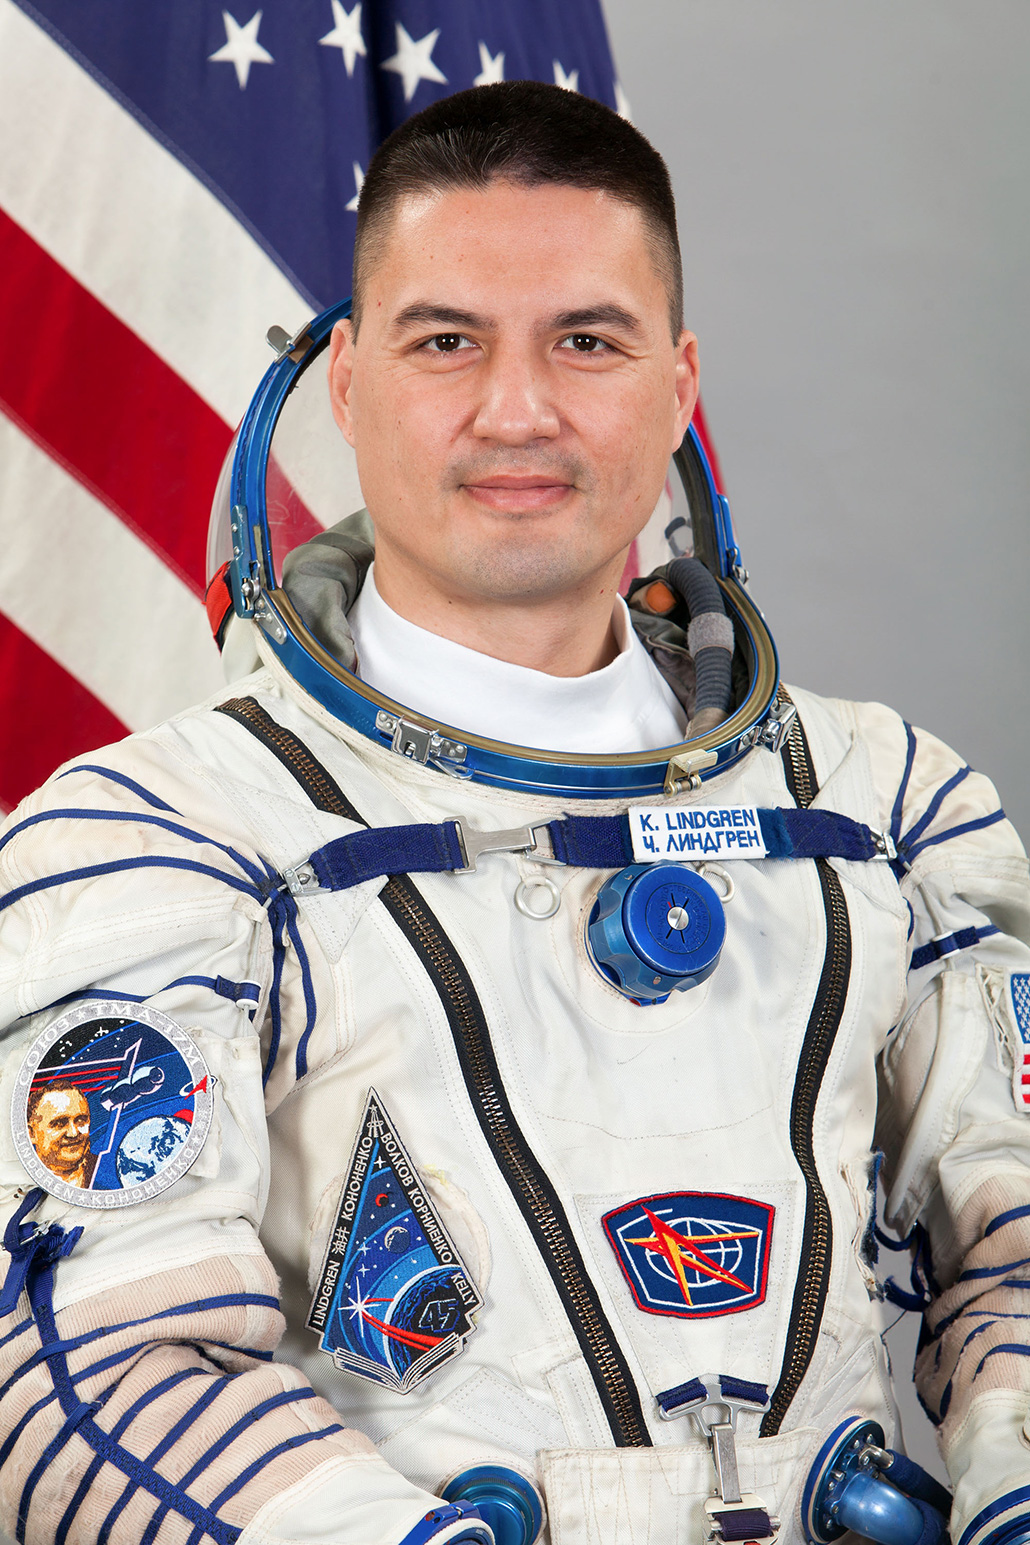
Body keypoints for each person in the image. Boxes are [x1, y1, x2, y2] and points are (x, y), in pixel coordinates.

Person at [0, 79, 1028, 1545]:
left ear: (678, 389)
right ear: (345, 383)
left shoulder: (885, 810)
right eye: (445, 342)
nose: (517, 409)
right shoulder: (159, 844)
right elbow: (86, 1360)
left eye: (586, 341)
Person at [25, 1084, 95, 1189]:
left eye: (80, 1121)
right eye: (59, 1124)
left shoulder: (107, 1169)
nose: (73, 1133)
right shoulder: (21, 1178)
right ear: (31, 1133)